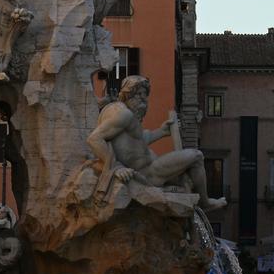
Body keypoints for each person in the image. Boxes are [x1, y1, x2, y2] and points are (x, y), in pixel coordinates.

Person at [86, 75, 227, 211]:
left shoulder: (120, 111)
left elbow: (137, 143)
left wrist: (161, 131)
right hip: (147, 174)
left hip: (149, 168)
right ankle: (205, 202)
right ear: (129, 94)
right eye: (139, 93)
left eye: (145, 94)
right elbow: (94, 139)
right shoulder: (124, 115)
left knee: (184, 180)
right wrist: (116, 168)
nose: (143, 98)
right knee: (197, 156)